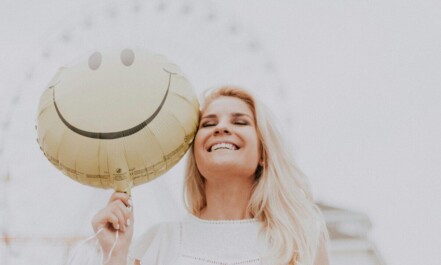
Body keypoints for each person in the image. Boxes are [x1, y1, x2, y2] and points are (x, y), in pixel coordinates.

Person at [91, 86, 330, 265]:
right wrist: (115, 255)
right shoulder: (158, 243)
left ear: (263, 154)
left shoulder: (300, 242)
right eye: (208, 124)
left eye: (240, 121)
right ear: (196, 154)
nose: (221, 128)